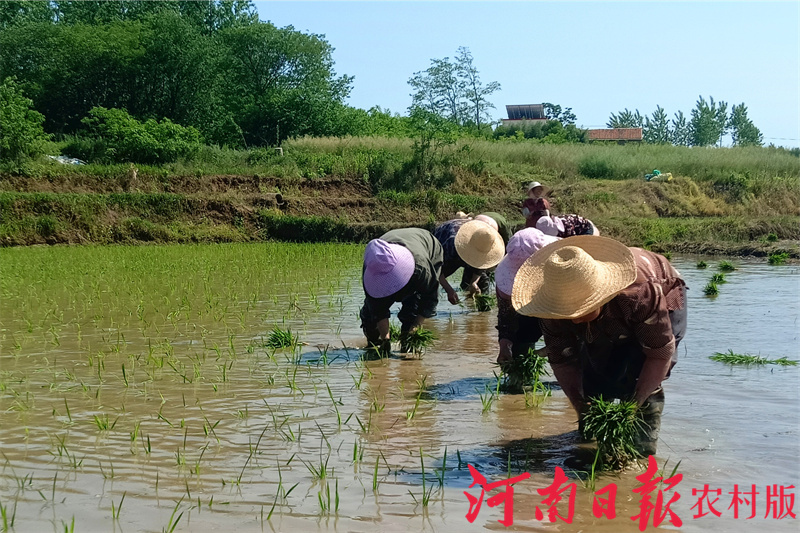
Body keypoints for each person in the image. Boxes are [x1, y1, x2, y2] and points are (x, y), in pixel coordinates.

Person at [511, 235, 687, 455]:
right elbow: (563, 360)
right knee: (594, 374)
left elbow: (658, 355)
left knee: (639, 376)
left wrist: (632, 407)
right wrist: (581, 406)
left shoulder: (639, 295)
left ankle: (642, 451)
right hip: (615, 309)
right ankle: (589, 447)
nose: (574, 320)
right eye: (568, 313)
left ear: (601, 296)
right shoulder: (552, 306)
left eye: (581, 309)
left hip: (662, 289)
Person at [359, 228, 443, 354]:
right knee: (369, 317)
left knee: (412, 311)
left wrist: (416, 326)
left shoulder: (420, 267)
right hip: (394, 248)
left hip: (426, 247)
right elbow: (377, 308)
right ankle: (373, 344)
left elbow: (430, 297)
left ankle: (407, 346)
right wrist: (385, 339)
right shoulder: (371, 267)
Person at [494, 229, 560, 387]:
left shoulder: (565, 267)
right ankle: (521, 383)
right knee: (519, 351)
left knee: (577, 359)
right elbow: (506, 316)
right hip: (528, 309)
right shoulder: (506, 282)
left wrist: (552, 348)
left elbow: (579, 325)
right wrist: (505, 345)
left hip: (559, 305)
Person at [433, 218, 505, 305]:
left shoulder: (484, 241)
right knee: (432, 282)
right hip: (446, 243)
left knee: (483, 279)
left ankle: (481, 311)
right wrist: (449, 290)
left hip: (468, 244)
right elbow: (436, 269)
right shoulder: (451, 244)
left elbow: (481, 266)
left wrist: (474, 282)